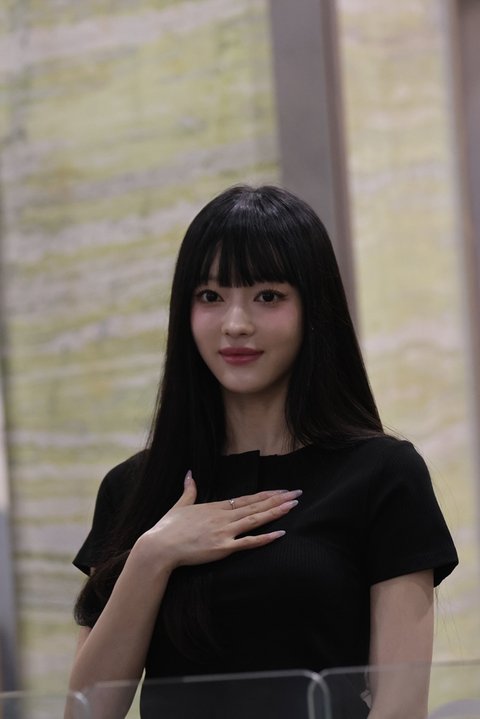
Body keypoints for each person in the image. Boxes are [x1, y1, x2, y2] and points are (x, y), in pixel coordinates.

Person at [68, 185, 458, 718]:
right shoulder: (131, 488)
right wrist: (152, 556)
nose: (235, 323)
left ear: (313, 308)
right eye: (210, 296)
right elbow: (86, 712)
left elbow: (402, 707)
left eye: (268, 296)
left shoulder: (383, 474)